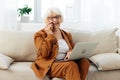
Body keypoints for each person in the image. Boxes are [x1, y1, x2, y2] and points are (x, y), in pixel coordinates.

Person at [31, 7, 90, 80]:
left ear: (61, 19)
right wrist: (49, 35)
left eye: (57, 17)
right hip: (50, 64)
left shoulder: (67, 34)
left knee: (84, 62)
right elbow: (44, 53)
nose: (55, 20)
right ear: (46, 20)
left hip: (65, 61)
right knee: (71, 65)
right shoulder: (39, 34)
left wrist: (70, 52)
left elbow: (71, 49)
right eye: (51, 18)